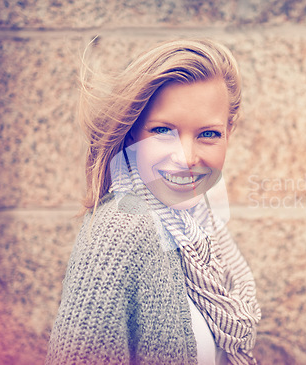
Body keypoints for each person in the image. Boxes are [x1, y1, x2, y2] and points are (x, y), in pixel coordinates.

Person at [46, 39, 261, 365]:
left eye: (209, 134)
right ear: (133, 133)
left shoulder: (204, 225)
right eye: (163, 130)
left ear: (229, 133)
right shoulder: (121, 229)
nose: (187, 158)